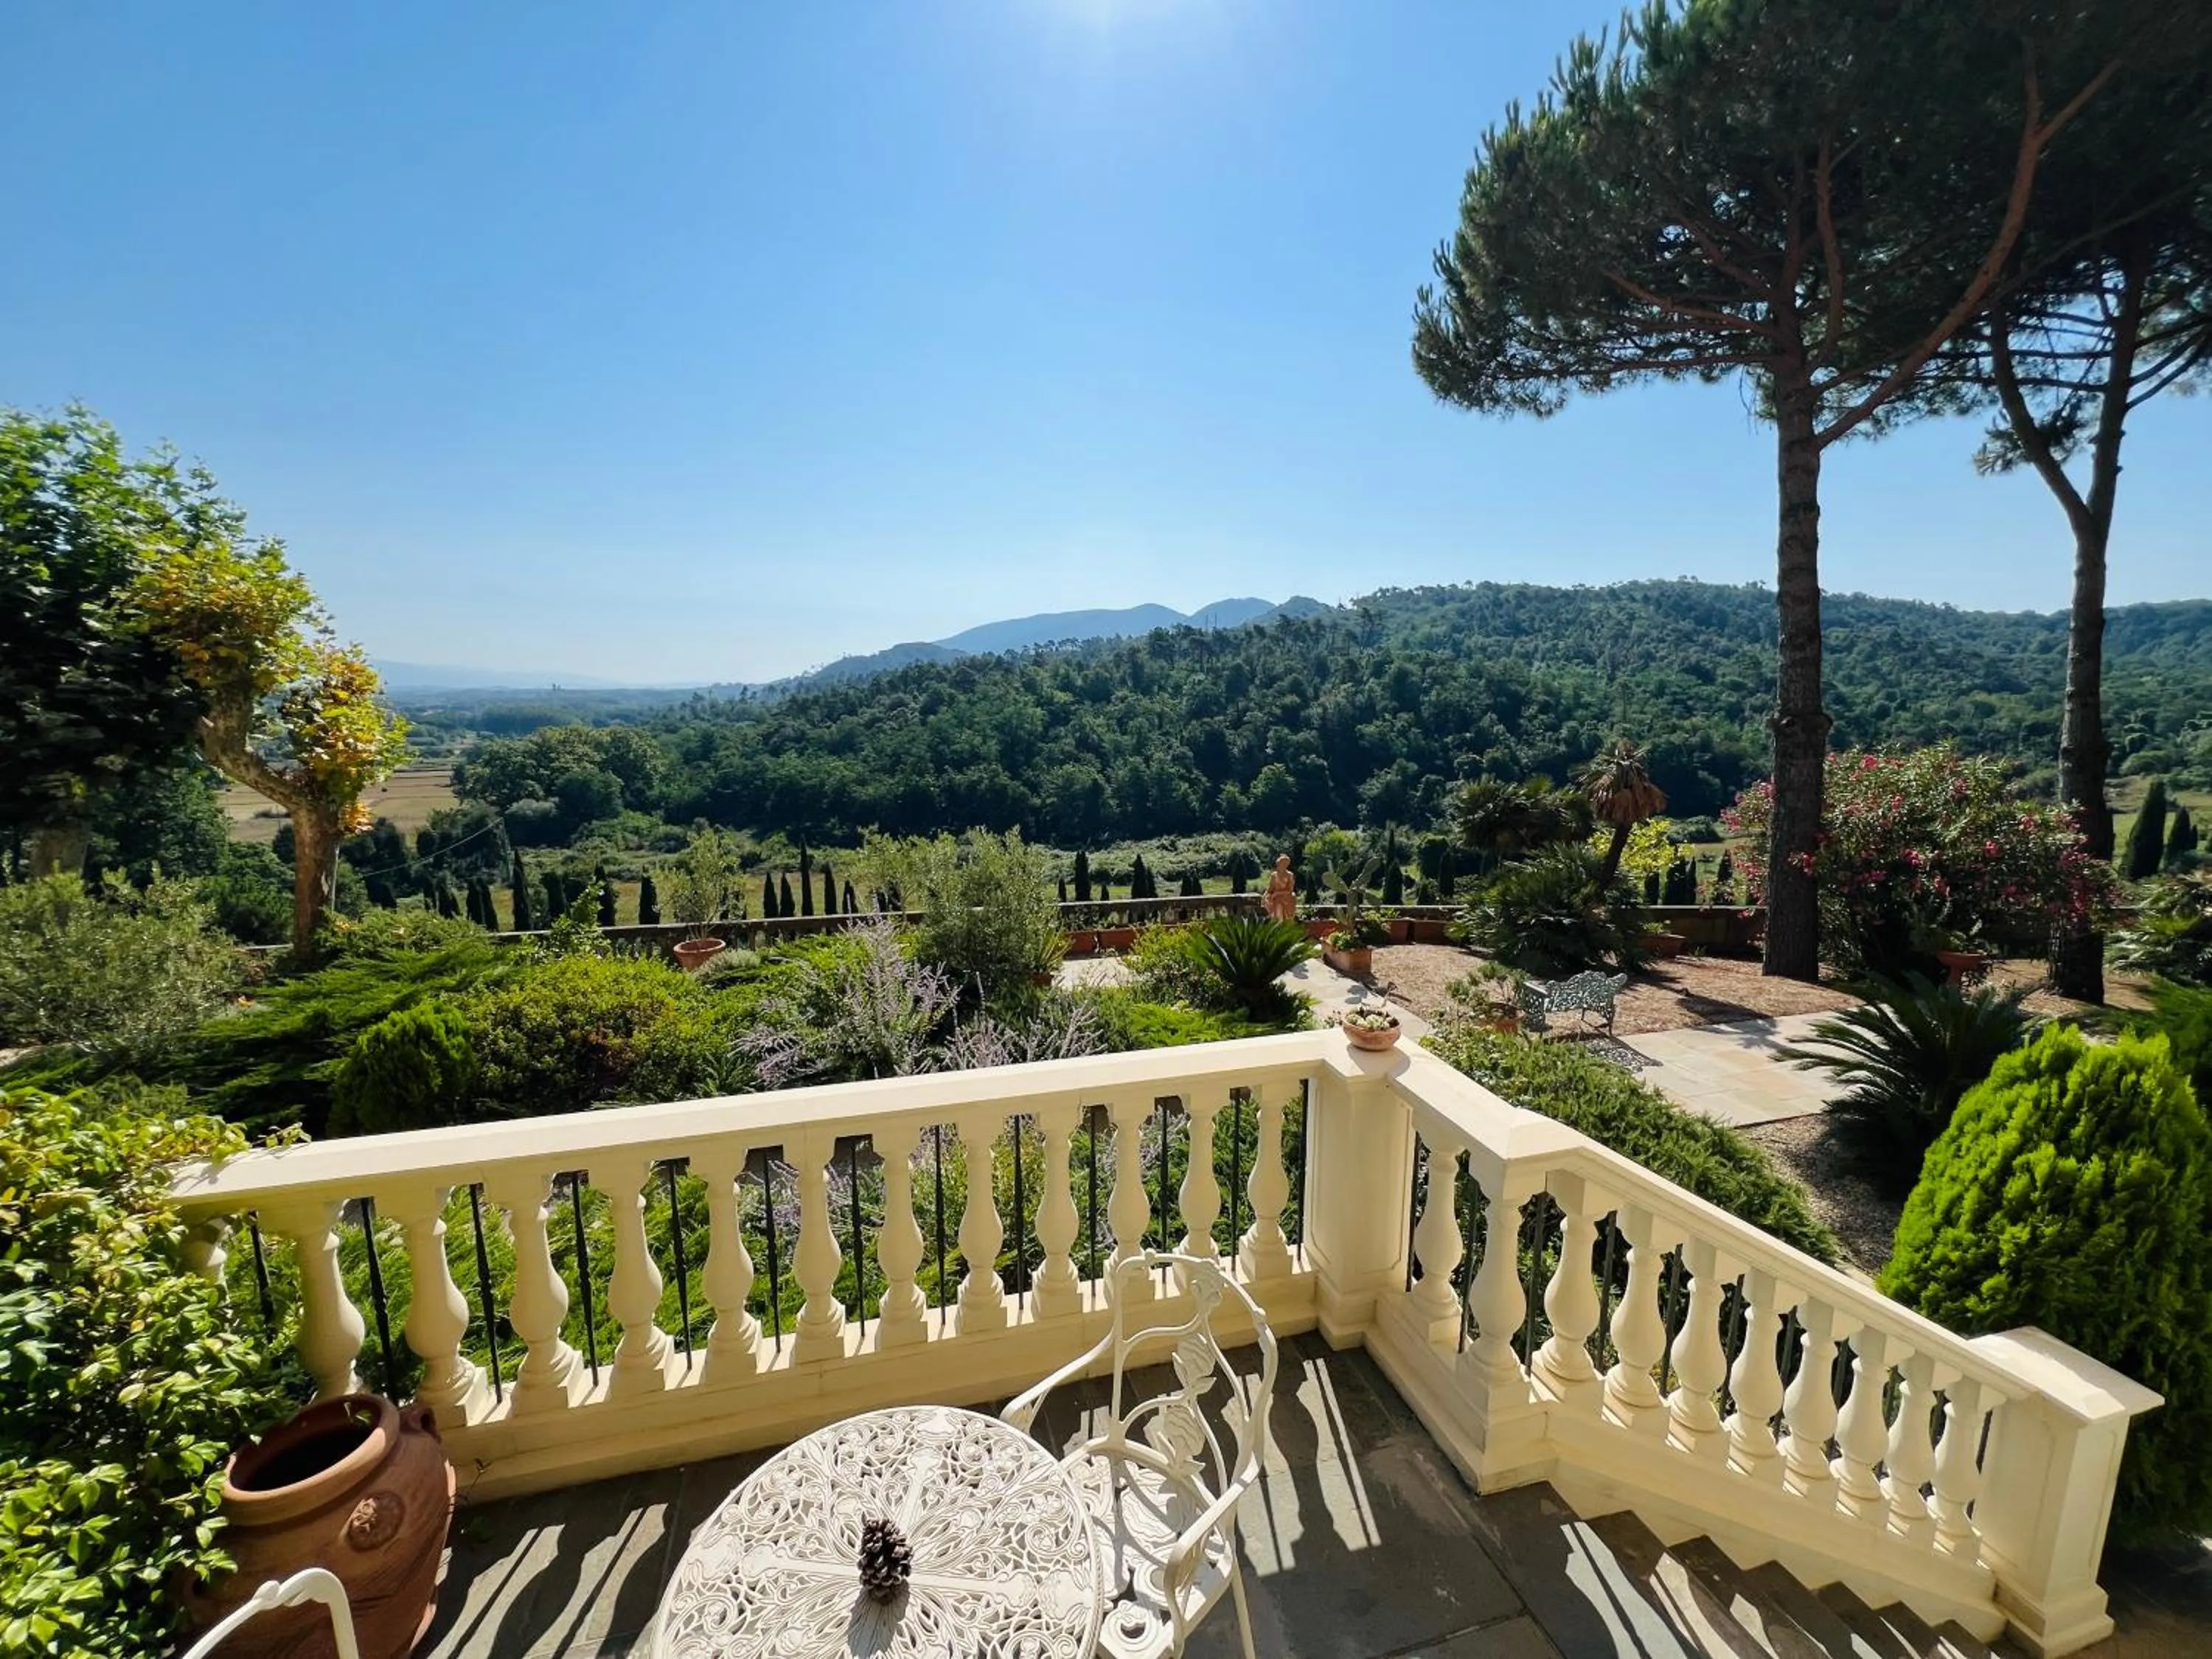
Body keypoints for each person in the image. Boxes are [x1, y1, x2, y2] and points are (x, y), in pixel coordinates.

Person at [1262, 854, 1298, 923]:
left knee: (1279, 902)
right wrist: (1265, 895)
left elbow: (1290, 890)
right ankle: (1276, 921)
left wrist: (1276, 894)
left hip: (1286, 896)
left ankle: (1282, 923)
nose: (1282, 865)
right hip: (1275, 896)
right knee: (1268, 900)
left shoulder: (1290, 875)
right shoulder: (1274, 875)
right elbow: (1270, 888)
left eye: (1285, 864)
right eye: (1281, 864)